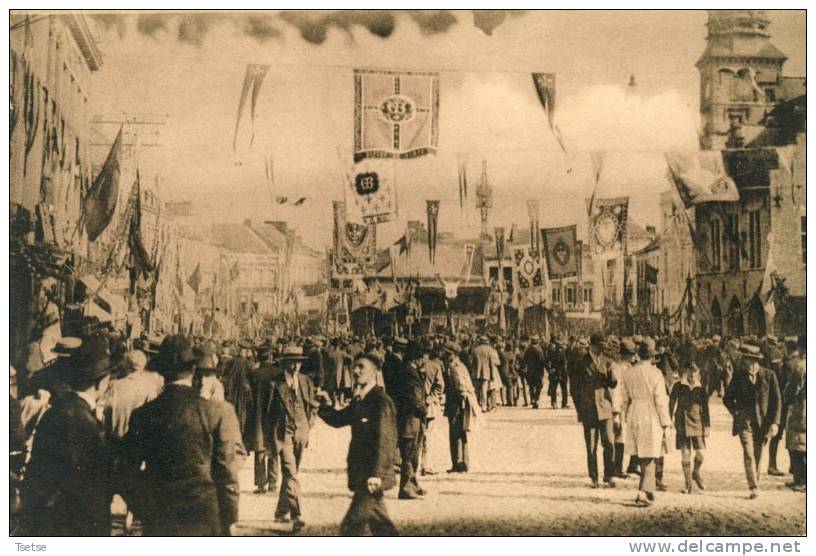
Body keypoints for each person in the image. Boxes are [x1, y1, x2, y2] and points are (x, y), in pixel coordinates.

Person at [121, 335, 245, 535]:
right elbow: (228, 473)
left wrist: (147, 509)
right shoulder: (219, 412)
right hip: (205, 520)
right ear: (194, 371)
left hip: (160, 522)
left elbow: (124, 470)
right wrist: (229, 518)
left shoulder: (143, 415)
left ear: (161, 373)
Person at [22, 336, 115, 536]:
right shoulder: (83, 420)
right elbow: (88, 482)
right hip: (76, 524)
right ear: (100, 383)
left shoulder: (57, 410)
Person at [318, 353, 399, 536]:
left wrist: (376, 474)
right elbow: (340, 419)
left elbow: (385, 441)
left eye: (361, 367)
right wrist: (324, 406)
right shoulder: (360, 399)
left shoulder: (380, 401)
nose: (355, 371)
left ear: (375, 372)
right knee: (382, 526)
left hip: (370, 476)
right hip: (363, 474)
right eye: (354, 367)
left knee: (351, 528)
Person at [266, 344, 318, 531]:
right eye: (292, 362)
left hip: (301, 432)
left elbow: (312, 405)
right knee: (290, 472)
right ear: (285, 363)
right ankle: (297, 514)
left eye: (298, 362)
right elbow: (268, 412)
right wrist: (269, 438)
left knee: (291, 474)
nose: (296, 366)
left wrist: (309, 423)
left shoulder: (305, 381)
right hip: (283, 433)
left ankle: (281, 511)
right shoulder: (274, 383)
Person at [723, 344, 781, 499]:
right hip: (744, 422)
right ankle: (753, 486)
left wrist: (775, 423)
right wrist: (736, 412)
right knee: (748, 453)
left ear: (757, 362)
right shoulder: (739, 376)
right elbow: (727, 398)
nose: (749, 364)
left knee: (758, 454)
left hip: (763, 424)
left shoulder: (769, 375)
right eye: (746, 361)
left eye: (752, 361)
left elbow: (776, 402)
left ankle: (755, 480)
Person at [620, 337, 671, 506]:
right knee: (649, 453)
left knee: (642, 453)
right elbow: (661, 400)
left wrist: (624, 416)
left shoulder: (629, 372)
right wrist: (666, 422)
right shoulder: (655, 373)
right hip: (650, 413)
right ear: (652, 356)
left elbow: (624, 398)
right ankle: (644, 491)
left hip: (635, 412)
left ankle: (647, 490)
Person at [570, 334, 619, 488]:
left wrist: (610, 373)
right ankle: (594, 477)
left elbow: (613, 384)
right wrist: (580, 408)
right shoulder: (580, 363)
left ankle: (609, 475)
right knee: (591, 446)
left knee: (609, 443)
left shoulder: (607, 361)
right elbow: (574, 388)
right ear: (591, 345)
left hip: (605, 408)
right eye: (599, 346)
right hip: (588, 409)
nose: (601, 349)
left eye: (603, 346)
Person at [669, 363, 710, 494]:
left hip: (697, 422)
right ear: (686, 371)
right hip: (682, 422)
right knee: (685, 454)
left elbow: (706, 408)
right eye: (690, 371)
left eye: (695, 371)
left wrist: (707, 425)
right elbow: (671, 404)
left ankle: (696, 473)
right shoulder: (678, 386)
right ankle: (688, 485)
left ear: (698, 372)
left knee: (700, 454)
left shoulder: (701, 388)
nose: (692, 374)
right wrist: (669, 420)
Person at [441, 341, 480, 473]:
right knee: (461, 433)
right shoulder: (461, 365)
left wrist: (461, 400)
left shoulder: (453, 367)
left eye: (447, 354)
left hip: (455, 403)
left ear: (452, 354)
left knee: (455, 433)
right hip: (460, 403)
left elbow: (461, 387)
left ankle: (458, 464)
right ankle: (464, 462)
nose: (445, 356)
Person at [783, 335, 806, 492]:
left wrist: (787, 400)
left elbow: (792, 390)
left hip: (801, 408)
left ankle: (802, 480)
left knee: (797, 442)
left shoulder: (801, 367)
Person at [419, 341, 445, 476]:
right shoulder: (435, 366)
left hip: (414, 404)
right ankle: (425, 464)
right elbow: (440, 386)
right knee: (427, 436)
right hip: (429, 407)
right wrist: (430, 398)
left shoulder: (414, 365)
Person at [471, 335, 498, 411]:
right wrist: (492, 375)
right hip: (486, 373)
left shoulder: (475, 350)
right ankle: (483, 406)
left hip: (476, 373)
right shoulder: (489, 350)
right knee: (484, 391)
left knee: (476, 391)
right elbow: (491, 364)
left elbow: (472, 363)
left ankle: (476, 406)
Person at [522, 335, 546, 409]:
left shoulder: (528, 350)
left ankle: (533, 399)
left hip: (530, 371)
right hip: (538, 371)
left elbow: (524, 361)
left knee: (531, 386)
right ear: (538, 342)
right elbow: (542, 361)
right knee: (539, 386)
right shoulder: (539, 350)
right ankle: (536, 399)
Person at [547, 338, 569, 409]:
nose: (560, 346)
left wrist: (549, 369)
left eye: (561, 345)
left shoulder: (564, 352)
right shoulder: (554, 352)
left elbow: (546, 362)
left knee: (559, 389)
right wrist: (549, 369)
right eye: (559, 345)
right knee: (560, 389)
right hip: (559, 373)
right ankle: (561, 404)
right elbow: (546, 361)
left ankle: (558, 403)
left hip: (559, 373)